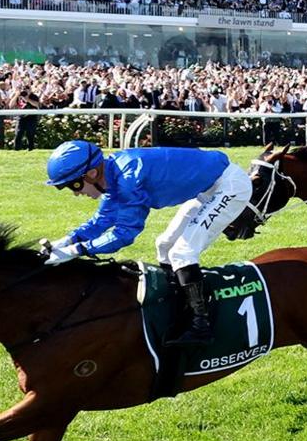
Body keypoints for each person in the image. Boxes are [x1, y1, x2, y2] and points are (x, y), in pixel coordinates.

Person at [40, 140, 254, 345]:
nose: (76, 193)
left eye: (73, 185)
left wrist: (78, 250)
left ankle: (201, 325)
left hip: (229, 187)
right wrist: (67, 241)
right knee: (164, 244)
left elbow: (125, 233)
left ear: (91, 173)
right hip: (208, 188)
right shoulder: (114, 173)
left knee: (182, 252)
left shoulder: (128, 179)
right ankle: (179, 306)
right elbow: (102, 220)